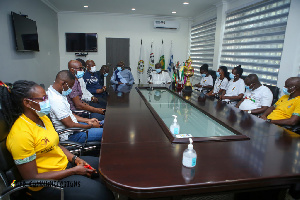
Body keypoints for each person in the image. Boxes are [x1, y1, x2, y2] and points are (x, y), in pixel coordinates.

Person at [0, 80, 113, 200]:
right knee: (101, 194)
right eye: (43, 98)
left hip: (65, 165)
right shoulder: (20, 134)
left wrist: (75, 159)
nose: (47, 101)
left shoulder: (43, 118)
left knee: (105, 168)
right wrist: (74, 171)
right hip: (48, 185)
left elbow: (56, 145)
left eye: (47, 97)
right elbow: (33, 178)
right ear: (27, 103)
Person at [48, 70, 103, 143]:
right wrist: (91, 125)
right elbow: (70, 124)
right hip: (71, 135)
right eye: (70, 86)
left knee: (102, 124)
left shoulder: (57, 93)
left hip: (75, 127)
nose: (70, 89)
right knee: (107, 133)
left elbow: (69, 114)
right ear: (63, 83)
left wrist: (88, 121)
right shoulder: (56, 100)